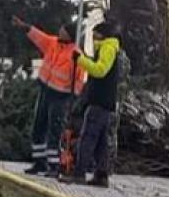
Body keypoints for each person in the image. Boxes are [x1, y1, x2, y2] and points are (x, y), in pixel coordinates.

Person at [12, 16, 84, 175]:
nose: (60, 32)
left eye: (64, 31)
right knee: (39, 126)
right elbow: (38, 36)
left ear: (70, 35)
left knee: (55, 130)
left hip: (61, 96)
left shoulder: (76, 54)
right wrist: (24, 26)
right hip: (45, 90)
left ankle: (54, 165)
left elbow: (79, 80)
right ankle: (39, 162)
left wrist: (74, 99)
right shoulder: (53, 43)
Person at [64, 19, 122, 187]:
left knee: (87, 138)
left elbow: (100, 70)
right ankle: (101, 174)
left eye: (95, 34)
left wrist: (80, 60)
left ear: (102, 35)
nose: (93, 38)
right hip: (103, 101)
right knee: (100, 141)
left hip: (99, 100)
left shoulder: (108, 48)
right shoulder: (107, 48)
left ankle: (79, 173)